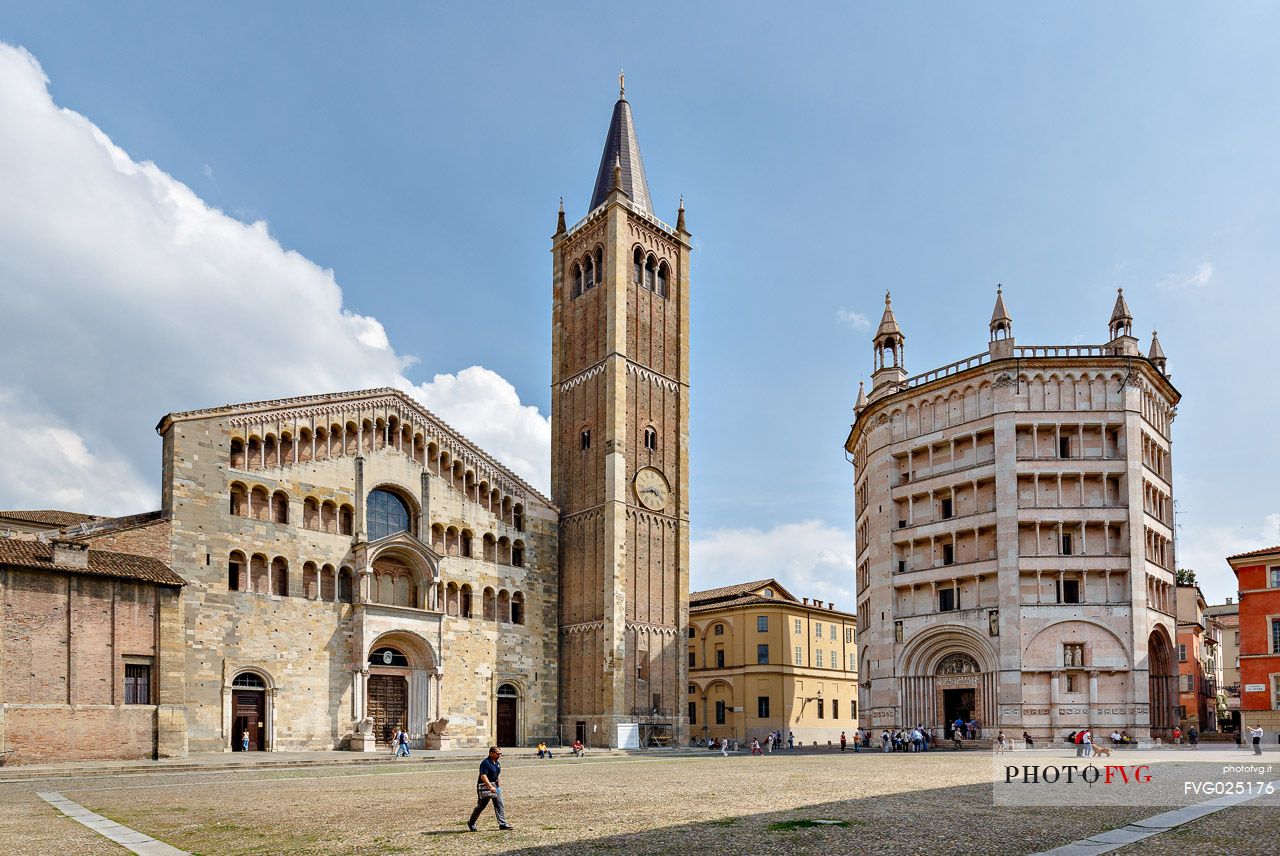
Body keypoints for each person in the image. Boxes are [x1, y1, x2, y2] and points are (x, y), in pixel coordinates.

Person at [468, 746, 512, 832]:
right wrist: (490, 786)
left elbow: (497, 774)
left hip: (495, 786)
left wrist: (498, 786)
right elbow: (483, 776)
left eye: (500, 754)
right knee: (481, 806)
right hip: (485, 786)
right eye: (498, 754)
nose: (500, 755)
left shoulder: (497, 763)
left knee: (499, 804)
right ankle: (471, 822)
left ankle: (502, 824)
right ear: (491, 753)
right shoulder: (485, 763)